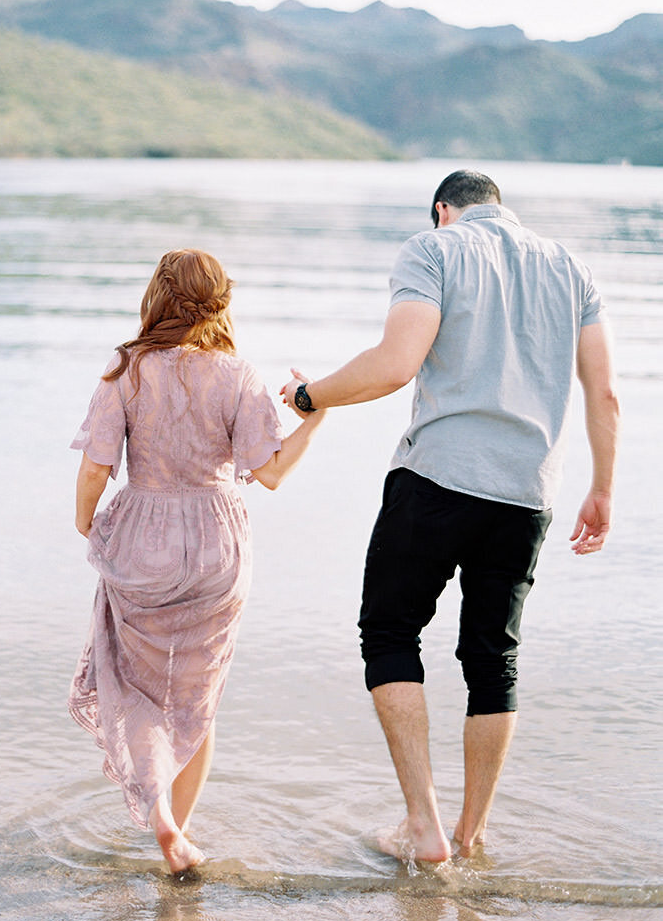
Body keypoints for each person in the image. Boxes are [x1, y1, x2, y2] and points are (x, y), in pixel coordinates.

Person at [281, 170, 620, 864]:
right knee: (494, 659)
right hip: (528, 492)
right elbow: (605, 394)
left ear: (445, 211)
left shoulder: (434, 250)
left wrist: (310, 395)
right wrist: (603, 489)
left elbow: (397, 364)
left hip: (437, 477)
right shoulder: (573, 269)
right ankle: (472, 834)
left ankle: (422, 827)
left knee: (389, 631)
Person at [69, 248, 324, 874]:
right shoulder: (239, 374)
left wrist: (85, 523)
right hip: (218, 545)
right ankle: (179, 833)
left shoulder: (126, 369)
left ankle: (159, 820)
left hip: (142, 540)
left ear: (157, 294)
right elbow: (269, 472)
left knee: (131, 684)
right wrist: (316, 420)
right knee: (198, 698)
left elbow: (97, 466)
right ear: (221, 301)